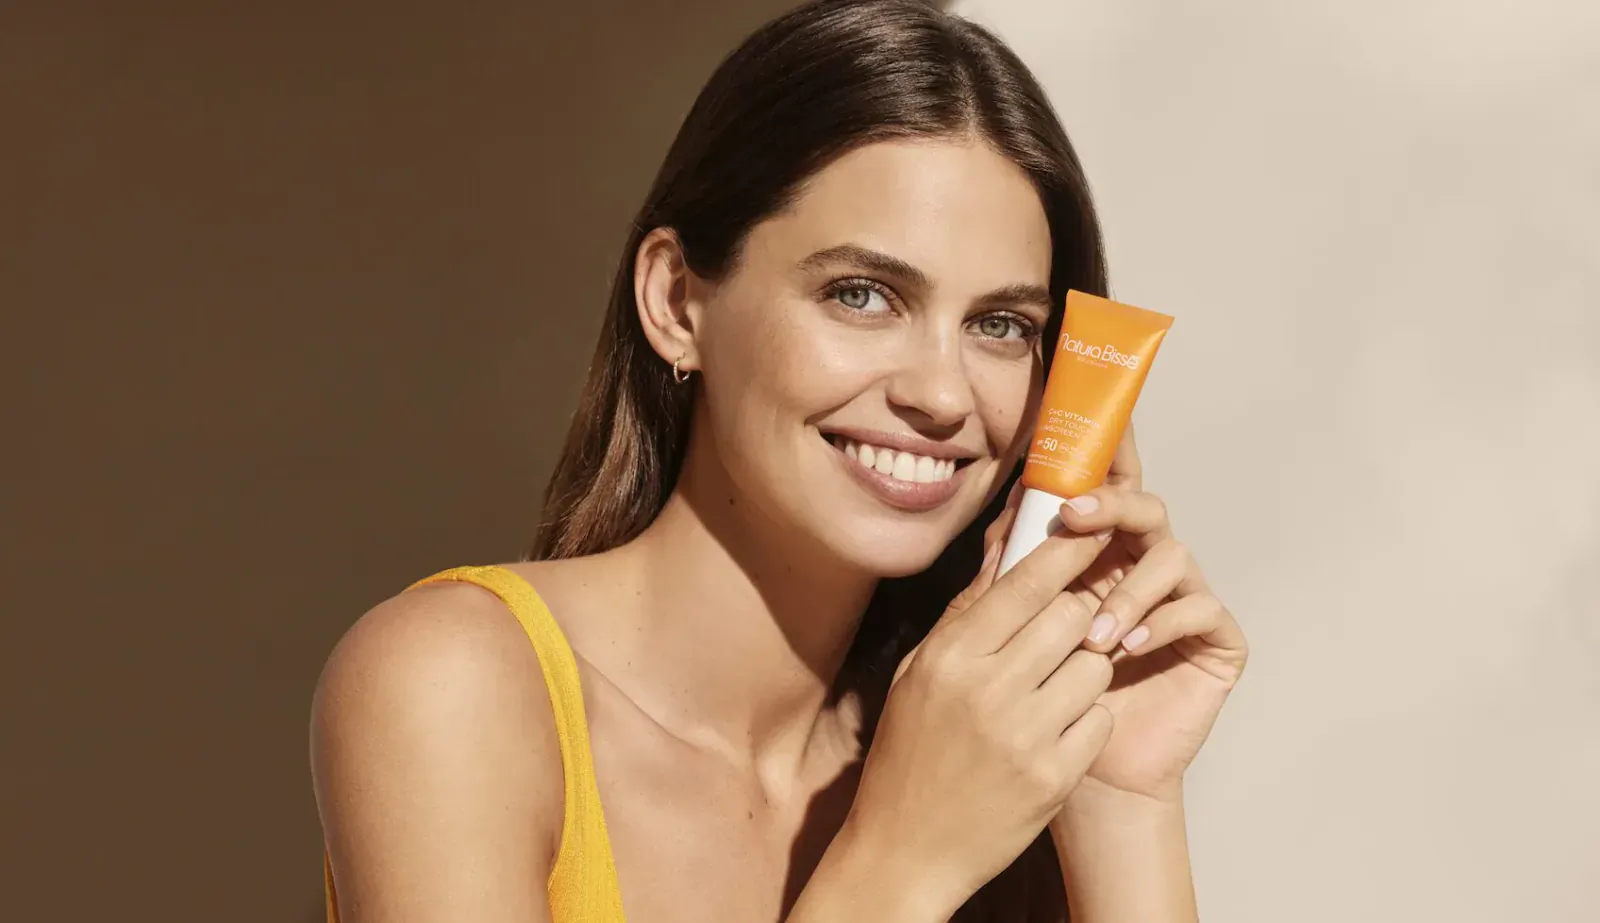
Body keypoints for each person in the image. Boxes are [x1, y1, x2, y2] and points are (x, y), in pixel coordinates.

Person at [310, 1, 1249, 921]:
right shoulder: (450, 685)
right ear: (678, 302)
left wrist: (1117, 803)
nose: (945, 394)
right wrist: (901, 862)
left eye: (1001, 325)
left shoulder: (971, 755)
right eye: (862, 294)